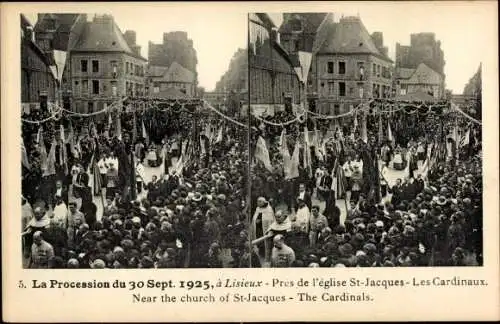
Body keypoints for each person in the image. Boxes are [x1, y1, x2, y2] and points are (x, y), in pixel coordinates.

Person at [251, 197, 275, 262]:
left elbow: (270, 220)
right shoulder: (257, 209)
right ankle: (260, 254)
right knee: (259, 242)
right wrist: (255, 221)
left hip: (265, 229)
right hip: (258, 229)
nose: (257, 203)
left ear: (263, 202)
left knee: (265, 243)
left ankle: (266, 256)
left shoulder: (269, 209)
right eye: (257, 201)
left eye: (259, 201)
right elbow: (255, 218)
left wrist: (260, 221)